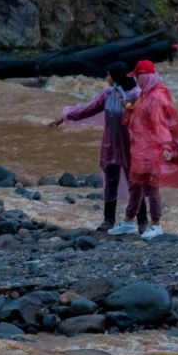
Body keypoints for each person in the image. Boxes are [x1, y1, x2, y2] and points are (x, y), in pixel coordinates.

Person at [49, 61, 146, 232]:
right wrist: (65, 117)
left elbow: (150, 118)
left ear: (118, 77)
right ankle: (108, 220)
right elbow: (89, 109)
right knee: (110, 181)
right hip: (110, 145)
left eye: (109, 75)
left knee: (135, 183)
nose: (107, 78)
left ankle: (142, 221)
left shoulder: (138, 95)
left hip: (132, 146)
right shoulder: (108, 94)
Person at [108, 60, 178, 239]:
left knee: (152, 188)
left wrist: (166, 146)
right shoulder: (145, 95)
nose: (136, 79)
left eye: (138, 76)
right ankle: (128, 222)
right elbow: (136, 120)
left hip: (152, 150)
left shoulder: (156, 98)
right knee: (135, 187)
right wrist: (128, 108)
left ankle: (156, 225)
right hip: (140, 149)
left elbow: (160, 125)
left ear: (145, 77)